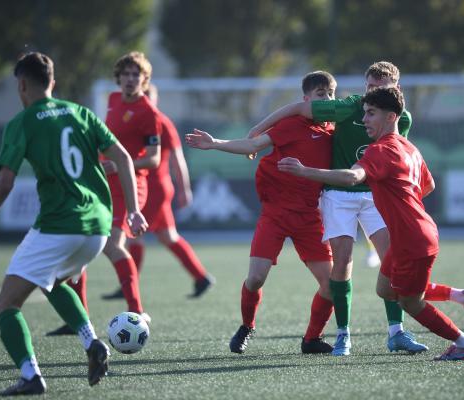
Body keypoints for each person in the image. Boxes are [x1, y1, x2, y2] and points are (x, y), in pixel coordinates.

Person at [0, 52, 148, 395]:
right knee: (52, 281)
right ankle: (92, 342)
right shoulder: (81, 113)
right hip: (97, 226)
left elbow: (5, 184)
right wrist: (133, 210)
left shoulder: (22, 122)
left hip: (59, 226)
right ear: (53, 82)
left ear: (21, 85)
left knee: (6, 305)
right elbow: (124, 158)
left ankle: (30, 376)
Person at [277, 86, 464, 361]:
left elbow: (352, 178)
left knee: (411, 301)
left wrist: (305, 171)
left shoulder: (380, 151)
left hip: (412, 240)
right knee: (385, 289)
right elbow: (428, 185)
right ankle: (463, 296)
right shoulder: (409, 147)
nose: (364, 120)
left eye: (371, 113)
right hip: (411, 234)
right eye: (364, 113)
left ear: (391, 116)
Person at [248, 61, 428, 355]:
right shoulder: (349, 107)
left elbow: (396, 159)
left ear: (396, 89)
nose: (373, 93)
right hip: (338, 195)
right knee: (342, 263)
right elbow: (296, 108)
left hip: (373, 195)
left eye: (381, 88)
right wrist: (257, 131)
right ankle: (343, 334)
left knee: (392, 261)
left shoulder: (401, 119)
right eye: (370, 87)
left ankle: (396, 331)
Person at [185, 71, 337, 354]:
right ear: (306, 100)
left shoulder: (333, 131)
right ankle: (247, 326)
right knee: (256, 278)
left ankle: (311, 339)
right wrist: (215, 143)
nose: (326, 100)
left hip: (309, 216)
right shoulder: (292, 125)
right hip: (276, 213)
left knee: (331, 285)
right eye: (320, 95)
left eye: (330, 95)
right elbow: (254, 145)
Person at [46, 51, 160, 336]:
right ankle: (78, 319)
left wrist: (121, 163)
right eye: (127, 74)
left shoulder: (149, 113)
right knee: (81, 246)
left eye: (137, 75)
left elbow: (155, 158)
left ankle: (136, 310)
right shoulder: (111, 101)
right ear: (119, 78)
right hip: (104, 186)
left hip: (131, 188)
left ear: (145, 80)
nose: (131, 79)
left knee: (111, 246)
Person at [104, 83, 215, 300]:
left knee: (134, 237)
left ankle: (127, 286)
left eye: (148, 96)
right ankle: (201, 278)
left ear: (154, 99)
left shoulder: (160, 122)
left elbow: (177, 158)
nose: (144, 99)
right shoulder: (135, 120)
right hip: (153, 188)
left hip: (152, 189)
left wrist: (184, 188)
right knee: (167, 236)